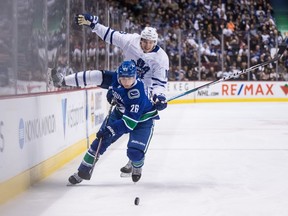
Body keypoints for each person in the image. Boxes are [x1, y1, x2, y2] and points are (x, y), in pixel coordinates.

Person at [75, 13, 169, 175]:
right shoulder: (131, 40)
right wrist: (95, 26)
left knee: (132, 137)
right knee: (101, 77)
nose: (146, 45)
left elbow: (159, 83)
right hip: (125, 82)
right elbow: (111, 35)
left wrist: (159, 96)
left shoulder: (161, 58)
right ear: (140, 39)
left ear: (155, 42)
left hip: (141, 97)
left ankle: (134, 157)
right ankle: (85, 169)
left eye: (150, 42)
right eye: (144, 41)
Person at [52, 60, 159, 184]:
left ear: (135, 76)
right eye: (123, 78)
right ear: (118, 75)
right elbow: (92, 76)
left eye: (129, 78)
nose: (126, 82)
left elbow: (128, 124)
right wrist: (65, 81)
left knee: (134, 152)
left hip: (142, 120)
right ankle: (82, 172)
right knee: (99, 143)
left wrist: (110, 130)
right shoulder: (115, 78)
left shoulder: (136, 94)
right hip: (120, 113)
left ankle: (137, 166)